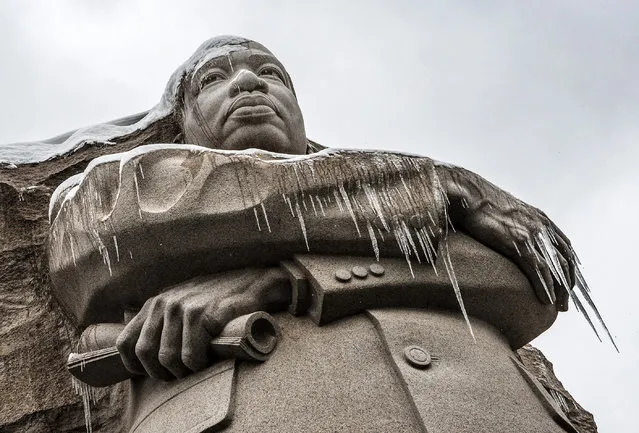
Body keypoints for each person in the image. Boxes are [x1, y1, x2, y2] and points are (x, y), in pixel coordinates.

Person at [41, 36, 588, 432]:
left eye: (272, 73)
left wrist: (279, 280)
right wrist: (441, 186)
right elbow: (98, 245)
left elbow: (531, 284)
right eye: (214, 79)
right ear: (183, 122)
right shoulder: (123, 187)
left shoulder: (392, 185)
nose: (250, 81)